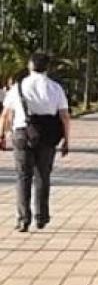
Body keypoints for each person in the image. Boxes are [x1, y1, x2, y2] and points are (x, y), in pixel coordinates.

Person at [0, 54, 72, 233]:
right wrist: (67, 140)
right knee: (43, 175)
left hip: (22, 133)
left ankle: (23, 218)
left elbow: (5, 114)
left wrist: (1, 135)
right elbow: (64, 116)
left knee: (23, 176)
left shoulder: (17, 88)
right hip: (47, 135)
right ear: (47, 68)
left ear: (29, 67)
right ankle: (42, 216)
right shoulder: (55, 88)